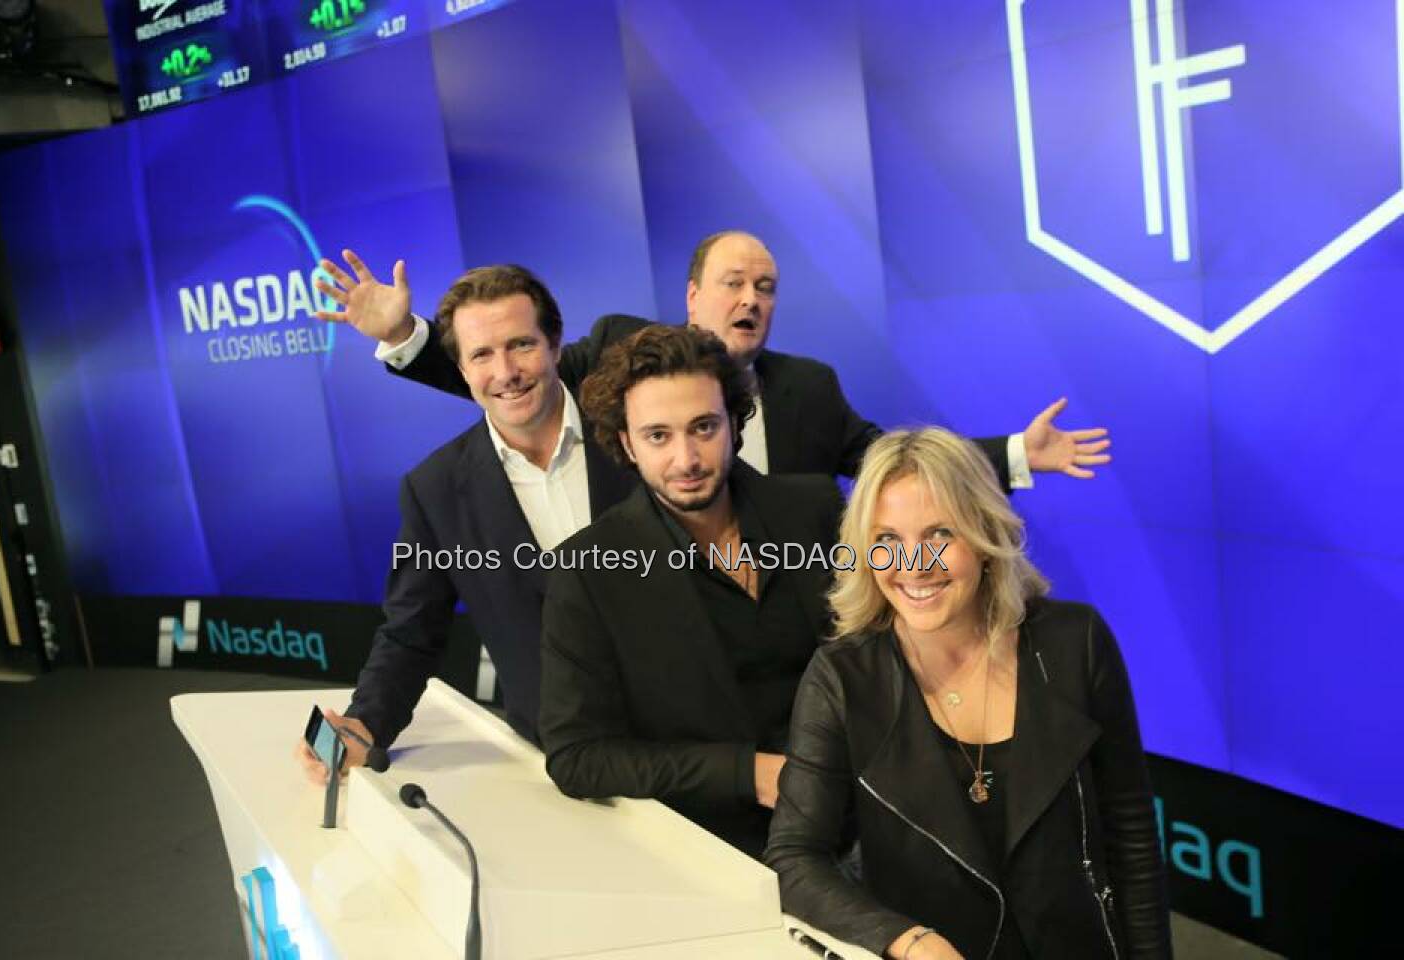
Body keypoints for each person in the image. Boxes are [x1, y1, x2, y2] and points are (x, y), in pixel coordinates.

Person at [764, 428, 1170, 959]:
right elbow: (795, 858)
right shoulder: (842, 675)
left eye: (938, 535)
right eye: (887, 541)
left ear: (984, 535)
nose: (912, 565)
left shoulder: (1077, 642)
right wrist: (905, 941)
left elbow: (1132, 838)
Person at [311, 232, 1111, 487]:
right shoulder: (622, 350)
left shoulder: (809, 387)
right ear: (692, 297)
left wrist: (1011, 454)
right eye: (733, 283)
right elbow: (515, 382)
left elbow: (883, 462)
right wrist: (406, 335)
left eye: (765, 287)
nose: (751, 299)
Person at [294, 265, 636, 782]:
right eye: (481, 354)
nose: (505, 371)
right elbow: (410, 631)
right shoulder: (435, 491)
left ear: (556, 345)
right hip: (562, 759)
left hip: (697, 742)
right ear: (460, 366)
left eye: (521, 344)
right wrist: (366, 723)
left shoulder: (642, 436)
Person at [536, 325, 842, 858]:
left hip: (863, 813)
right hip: (721, 847)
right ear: (627, 444)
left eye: (704, 427)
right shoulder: (586, 571)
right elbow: (577, 757)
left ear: (734, 422)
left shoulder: (815, 510)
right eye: (658, 436)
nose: (687, 459)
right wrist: (748, 773)